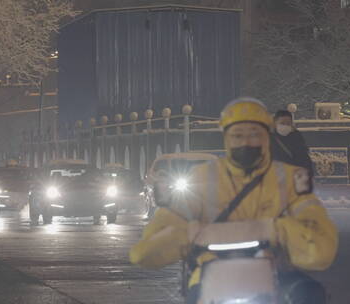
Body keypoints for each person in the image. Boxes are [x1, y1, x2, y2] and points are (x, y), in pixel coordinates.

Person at [130, 98, 338, 303]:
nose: (245, 142)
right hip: (210, 272)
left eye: (254, 135)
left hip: (275, 270)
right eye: (237, 135)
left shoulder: (291, 179)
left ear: (267, 137)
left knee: (310, 294)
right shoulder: (202, 177)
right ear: (226, 138)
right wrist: (179, 237)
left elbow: (320, 242)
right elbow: (155, 239)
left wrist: (281, 231)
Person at [271, 110, 313, 176]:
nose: (285, 126)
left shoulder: (297, 137)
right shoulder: (268, 138)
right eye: (282, 123)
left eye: (288, 124)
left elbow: (304, 159)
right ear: (275, 123)